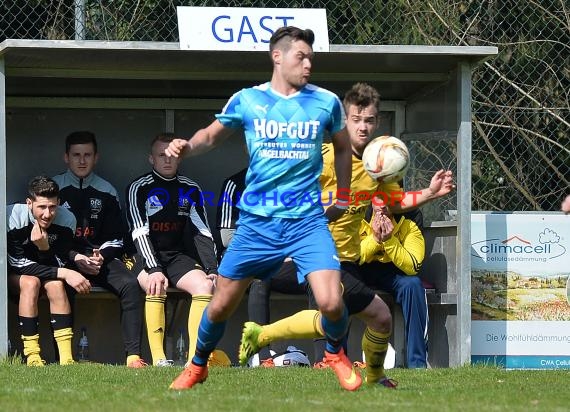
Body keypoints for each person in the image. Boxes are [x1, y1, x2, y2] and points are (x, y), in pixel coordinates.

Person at [168, 26, 358, 391]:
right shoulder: (248, 100)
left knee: (332, 301)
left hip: (306, 222)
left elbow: (344, 147)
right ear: (277, 56)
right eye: (300, 57)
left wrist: (344, 195)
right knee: (221, 304)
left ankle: (334, 352)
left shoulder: (326, 102)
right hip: (256, 225)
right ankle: (198, 364)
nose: (308, 65)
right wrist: (187, 147)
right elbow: (210, 135)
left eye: (311, 59)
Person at [239, 83, 453, 384]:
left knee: (379, 318)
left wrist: (430, 192)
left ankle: (271, 336)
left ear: (376, 122)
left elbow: (395, 202)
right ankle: (335, 363)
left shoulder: (376, 166)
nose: (363, 126)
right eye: (356, 119)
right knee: (335, 312)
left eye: (369, 120)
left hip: (347, 260)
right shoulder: (323, 158)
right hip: (320, 255)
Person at [52, 131, 147, 368]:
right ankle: (63, 358)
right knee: (59, 288)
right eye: (76, 155)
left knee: (130, 285)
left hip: (99, 259)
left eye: (87, 155)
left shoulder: (107, 191)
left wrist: (100, 256)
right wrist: (76, 257)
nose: (82, 160)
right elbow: (50, 238)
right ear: (66, 157)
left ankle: (133, 356)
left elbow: (118, 237)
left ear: (96, 158)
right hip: (67, 258)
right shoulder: (55, 189)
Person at [126, 133, 217, 367]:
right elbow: (139, 232)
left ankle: (195, 361)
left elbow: (202, 231)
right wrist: (154, 268)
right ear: (151, 159)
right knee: (157, 284)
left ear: (180, 159)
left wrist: (212, 268)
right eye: (161, 155)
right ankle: (159, 360)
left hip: (175, 255)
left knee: (206, 285)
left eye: (172, 156)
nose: (167, 160)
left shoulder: (191, 189)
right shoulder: (139, 188)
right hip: (142, 256)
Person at [216, 168, 306, 367]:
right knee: (259, 278)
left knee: (321, 278)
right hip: (247, 260)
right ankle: (262, 355)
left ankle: (327, 356)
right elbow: (226, 237)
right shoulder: (235, 183)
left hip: (286, 260)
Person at [7, 176, 91, 366]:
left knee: (56, 285)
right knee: (31, 282)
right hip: (16, 276)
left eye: (52, 207)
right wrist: (67, 273)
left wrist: (44, 249)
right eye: (41, 207)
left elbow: (60, 261)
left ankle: (66, 358)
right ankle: (32, 356)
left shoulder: (67, 218)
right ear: (29, 203)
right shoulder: (12, 216)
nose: (47, 214)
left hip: (47, 273)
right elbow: (17, 263)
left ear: (59, 203)